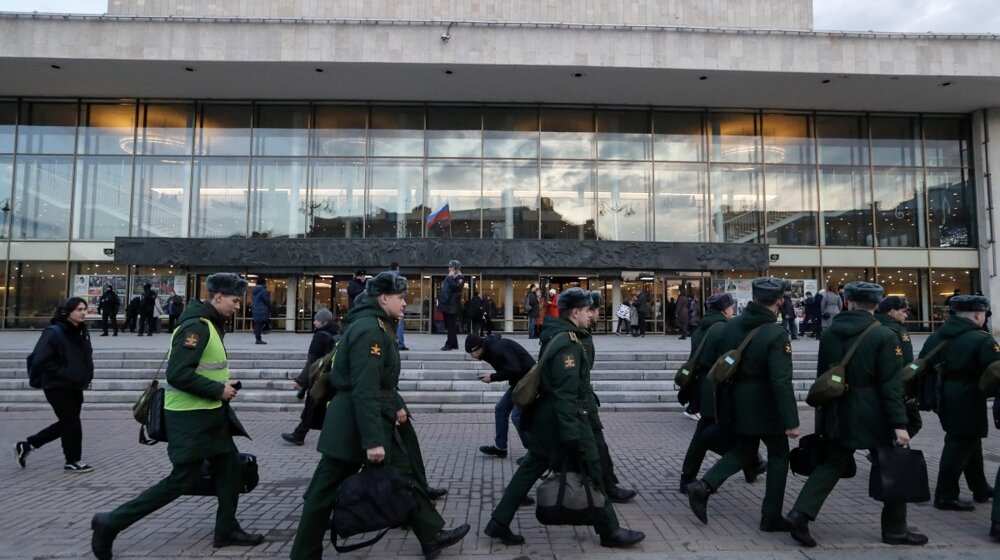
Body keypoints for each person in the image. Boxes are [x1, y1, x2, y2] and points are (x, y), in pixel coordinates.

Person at [290, 272, 469, 560]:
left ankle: (431, 535)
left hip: (370, 416)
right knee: (322, 492)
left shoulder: (378, 325)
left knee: (404, 475)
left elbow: (383, 381)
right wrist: (373, 440)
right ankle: (304, 553)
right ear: (384, 298)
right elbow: (364, 388)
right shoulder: (370, 330)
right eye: (401, 297)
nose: (405, 302)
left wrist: (395, 403)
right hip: (354, 425)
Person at [91, 273, 265, 560]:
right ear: (218, 297)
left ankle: (226, 529)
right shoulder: (195, 327)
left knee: (231, 469)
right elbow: (178, 374)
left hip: (208, 416)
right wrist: (217, 390)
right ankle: (111, 522)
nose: (238, 306)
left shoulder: (210, 324)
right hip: (189, 417)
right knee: (182, 480)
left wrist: (221, 388)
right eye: (234, 300)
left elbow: (203, 369)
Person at [483, 287, 645, 549]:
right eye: (587, 311)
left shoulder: (559, 335)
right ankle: (610, 531)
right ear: (575, 312)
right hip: (565, 418)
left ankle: (498, 522)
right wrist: (572, 435)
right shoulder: (568, 343)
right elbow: (565, 394)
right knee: (593, 467)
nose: (591, 315)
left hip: (550, 418)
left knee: (530, 468)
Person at [785, 281, 925, 548]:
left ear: (847, 302)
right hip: (874, 411)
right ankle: (895, 530)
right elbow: (891, 385)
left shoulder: (830, 333)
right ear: (876, 304)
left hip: (838, 407)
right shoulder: (884, 335)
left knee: (833, 463)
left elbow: (823, 376)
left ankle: (799, 513)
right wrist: (899, 423)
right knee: (893, 463)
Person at [687, 278, 800, 532]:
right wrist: (791, 420)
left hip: (735, 399)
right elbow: (781, 382)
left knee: (744, 449)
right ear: (779, 301)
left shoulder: (732, 325)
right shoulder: (777, 333)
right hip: (765, 405)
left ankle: (703, 486)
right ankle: (771, 515)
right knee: (779, 455)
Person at [678, 293, 765, 493]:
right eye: (731, 307)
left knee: (717, 430)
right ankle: (689, 477)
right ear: (724, 309)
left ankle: (751, 465)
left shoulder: (701, 329)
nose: (733, 310)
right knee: (706, 434)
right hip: (717, 388)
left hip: (703, 386)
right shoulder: (724, 329)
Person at [919, 295, 997, 512]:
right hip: (969, 396)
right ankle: (946, 495)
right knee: (958, 445)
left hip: (942, 394)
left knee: (968, 441)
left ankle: (980, 487)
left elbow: (925, 362)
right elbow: (996, 369)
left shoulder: (938, 336)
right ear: (978, 314)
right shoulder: (982, 339)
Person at [15, 297, 95, 473]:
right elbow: (40, 360)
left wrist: (86, 375)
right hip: (57, 386)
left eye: (84, 309)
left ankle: (28, 445)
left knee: (68, 422)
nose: (83, 313)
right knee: (72, 423)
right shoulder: (54, 332)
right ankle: (72, 460)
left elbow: (84, 357)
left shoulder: (81, 331)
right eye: (79, 309)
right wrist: (67, 374)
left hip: (75, 384)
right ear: (67, 312)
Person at [582, 291, 640, 504]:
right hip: (576, 407)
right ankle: (606, 492)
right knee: (540, 457)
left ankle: (607, 485)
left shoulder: (583, 334)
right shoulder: (573, 336)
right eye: (597, 310)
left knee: (597, 447)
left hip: (582, 403)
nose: (598, 314)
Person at [468, 333, 533, 460]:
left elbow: (514, 370)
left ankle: (534, 453)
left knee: (517, 416)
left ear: (477, 348)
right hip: (519, 383)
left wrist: (492, 377)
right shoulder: (489, 348)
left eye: (471, 353)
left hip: (528, 382)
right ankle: (500, 447)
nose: (471, 356)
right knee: (501, 408)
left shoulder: (497, 349)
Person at [281, 307, 339, 446]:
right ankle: (303, 434)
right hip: (329, 375)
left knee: (310, 407)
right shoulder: (336, 333)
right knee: (321, 408)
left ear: (323, 322)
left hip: (318, 378)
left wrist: (300, 380)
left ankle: (299, 435)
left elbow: (311, 362)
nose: (314, 323)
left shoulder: (319, 336)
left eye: (317, 320)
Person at [437, 260, 464, 351]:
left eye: (450, 267)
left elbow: (457, 287)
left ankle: (449, 344)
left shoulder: (459, 277)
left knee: (450, 326)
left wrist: (450, 278)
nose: (448, 269)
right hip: (448, 305)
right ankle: (454, 344)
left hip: (452, 306)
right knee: (450, 326)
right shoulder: (451, 277)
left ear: (455, 269)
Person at [388, 262, 409, 350]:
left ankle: (389, 343)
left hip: (387, 303)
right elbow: (404, 293)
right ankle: (400, 343)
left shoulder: (384, 278)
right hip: (397, 303)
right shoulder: (401, 279)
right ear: (397, 268)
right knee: (399, 323)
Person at [251, 277, 270, 345]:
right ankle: (258, 339)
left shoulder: (254, 290)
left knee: (257, 323)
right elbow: (266, 300)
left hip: (255, 309)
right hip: (262, 309)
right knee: (260, 324)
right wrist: (268, 307)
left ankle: (258, 337)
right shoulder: (262, 290)